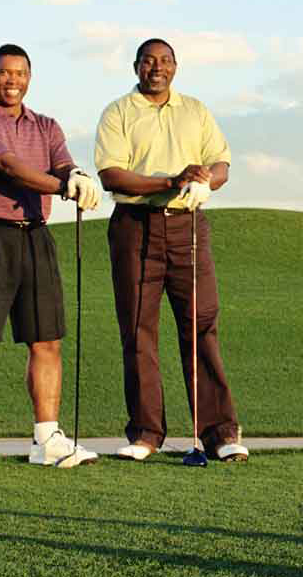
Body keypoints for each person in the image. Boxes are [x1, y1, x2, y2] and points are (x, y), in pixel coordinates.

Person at [93, 38, 248, 463]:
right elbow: (111, 175)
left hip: (187, 225)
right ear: (136, 67)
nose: (156, 68)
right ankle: (145, 433)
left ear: (175, 66)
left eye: (164, 61)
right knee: (139, 331)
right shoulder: (118, 113)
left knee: (200, 324)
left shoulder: (195, 110)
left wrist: (205, 181)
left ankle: (219, 433)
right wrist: (170, 180)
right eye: (148, 61)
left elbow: (221, 164)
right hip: (135, 227)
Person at [0, 44, 104, 469]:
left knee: (46, 339)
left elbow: (62, 164)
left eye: (19, 73)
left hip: (35, 236)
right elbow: (7, 168)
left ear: (29, 78)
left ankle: (46, 439)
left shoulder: (48, 126)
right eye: (4, 73)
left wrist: (75, 176)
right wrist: (60, 187)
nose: (11, 80)